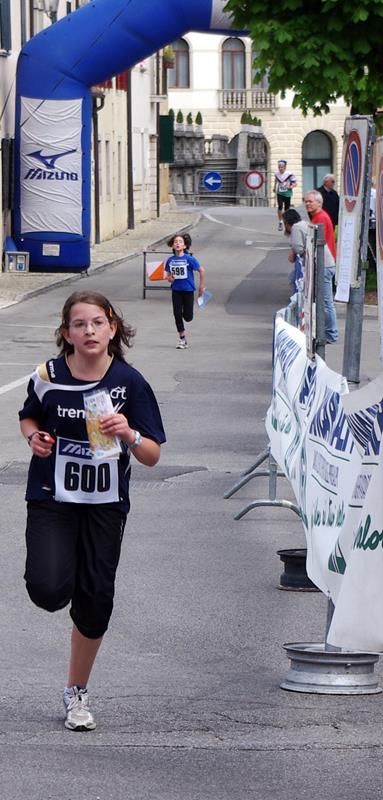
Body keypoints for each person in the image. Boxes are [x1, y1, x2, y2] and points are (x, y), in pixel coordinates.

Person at [18, 290, 166, 732]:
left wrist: (130, 433)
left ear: (112, 328)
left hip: (104, 505)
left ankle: (76, 692)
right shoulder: (47, 375)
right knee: (47, 589)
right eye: (79, 324)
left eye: (97, 323)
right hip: (52, 497)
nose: (89, 331)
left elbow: (153, 455)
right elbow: (29, 416)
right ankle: (64, 575)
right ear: (66, 333)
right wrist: (34, 438)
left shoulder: (129, 383)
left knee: (96, 599)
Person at [304, 190, 338, 344]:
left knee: (326, 302)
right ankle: (327, 332)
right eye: (306, 201)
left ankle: (331, 334)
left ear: (319, 202)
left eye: (310, 201)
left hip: (326, 263)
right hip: (325, 263)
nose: (307, 203)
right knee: (324, 301)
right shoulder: (318, 217)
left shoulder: (321, 218)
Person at [165, 232, 205, 349]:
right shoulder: (170, 260)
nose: (177, 244)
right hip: (176, 290)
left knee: (188, 317)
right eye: (175, 242)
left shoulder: (189, 259)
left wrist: (201, 286)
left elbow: (202, 270)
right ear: (172, 246)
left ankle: (187, 316)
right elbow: (168, 276)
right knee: (177, 314)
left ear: (185, 246)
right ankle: (182, 339)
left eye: (180, 242)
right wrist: (170, 278)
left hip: (188, 291)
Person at [273, 159, 297, 231]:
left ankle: (286, 222)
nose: (280, 169)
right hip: (280, 192)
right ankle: (280, 222)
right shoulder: (277, 174)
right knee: (280, 206)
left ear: (285, 167)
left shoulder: (289, 174)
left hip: (287, 193)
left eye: (282, 167)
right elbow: (276, 180)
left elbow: (295, 183)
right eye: (279, 167)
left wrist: (290, 187)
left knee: (287, 209)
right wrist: (274, 187)